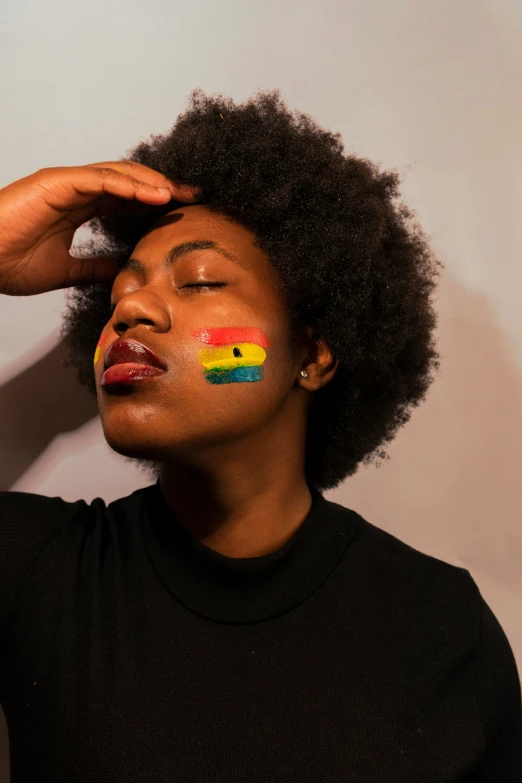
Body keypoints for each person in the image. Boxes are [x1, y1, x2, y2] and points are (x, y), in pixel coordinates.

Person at [0, 89, 520, 782]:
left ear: (311, 355)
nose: (131, 308)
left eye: (201, 278)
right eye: (122, 288)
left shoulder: (442, 628)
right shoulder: (33, 573)